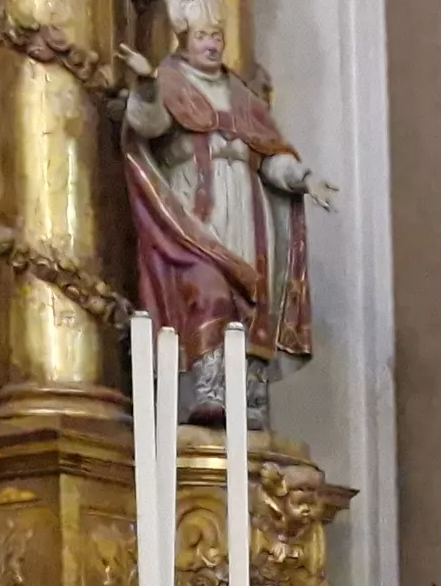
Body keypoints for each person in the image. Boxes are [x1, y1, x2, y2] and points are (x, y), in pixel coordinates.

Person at [122, 0, 315, 416]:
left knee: (252, 298)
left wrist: (302, 177)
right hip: (191, 209)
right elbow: (148, 125)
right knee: (206, 286)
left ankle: (248, 392)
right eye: (203, 37)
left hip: (247, 209)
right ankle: (208, 387)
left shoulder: (242, 96)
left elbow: (268, 155)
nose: (211, 44)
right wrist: (145, 85)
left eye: (217, 37)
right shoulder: (170, 81)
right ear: (185, 41)